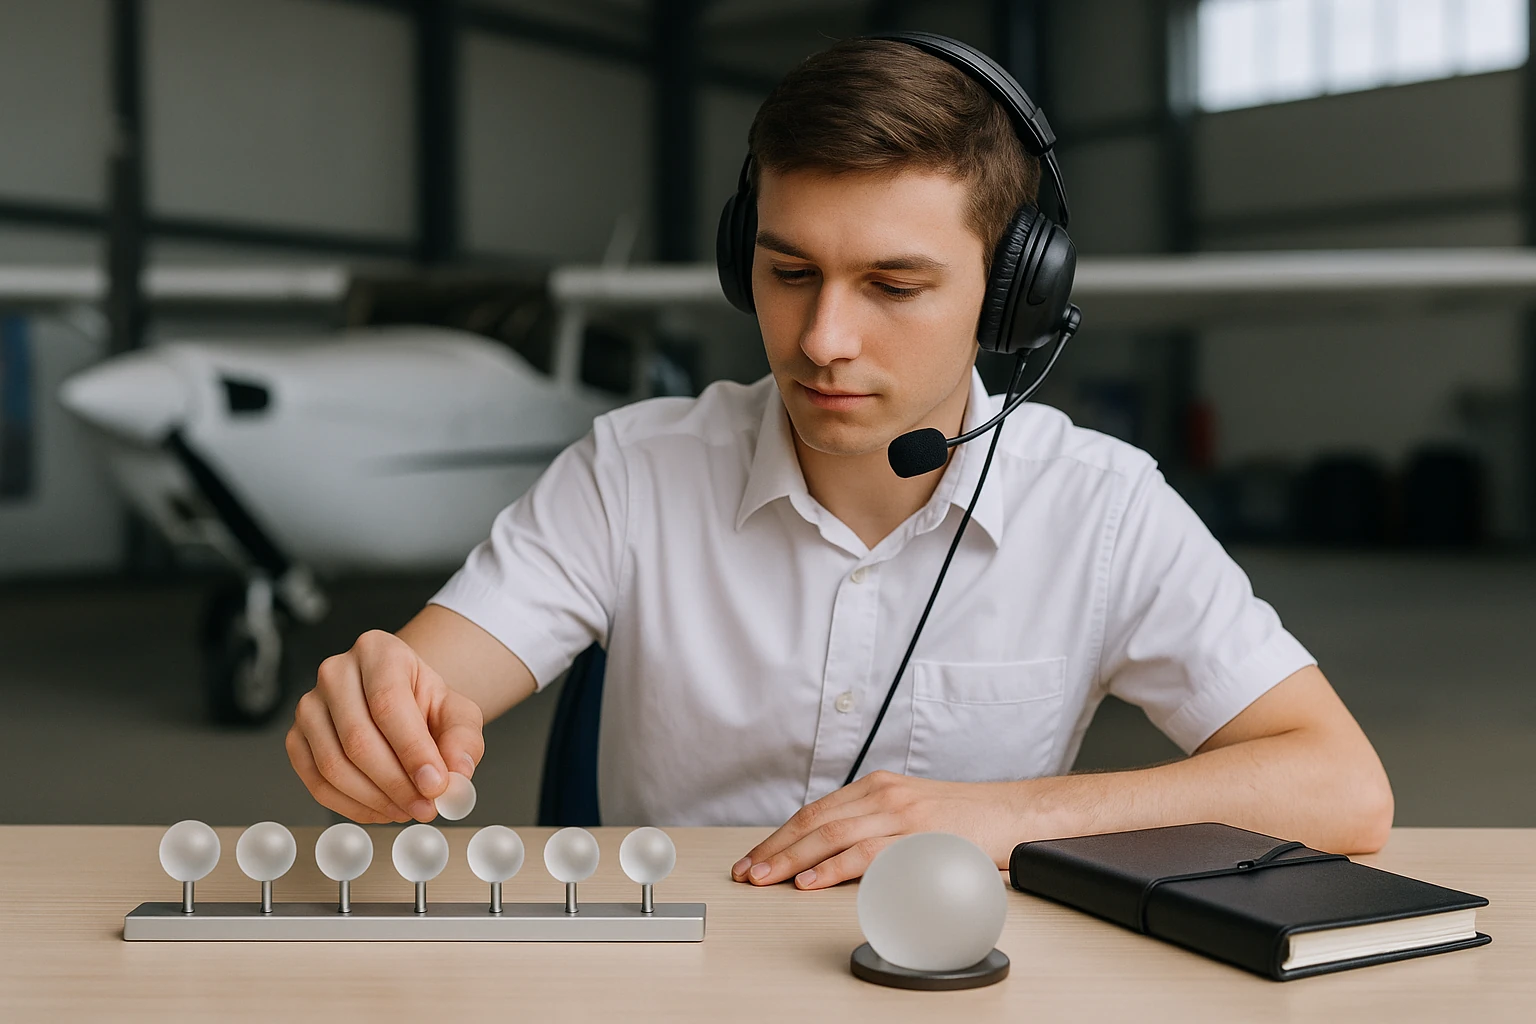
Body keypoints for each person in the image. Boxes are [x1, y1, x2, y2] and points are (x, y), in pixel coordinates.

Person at [286, 36, 1392, 891]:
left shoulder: (1100, 508)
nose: (823, 340)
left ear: (1011, 297)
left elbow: (1341, 786)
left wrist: (1004, 816)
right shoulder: (631, 470)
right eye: (789, 272)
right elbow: (422, 691)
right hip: (679, 978)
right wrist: (374, 724)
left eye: (894, 287)